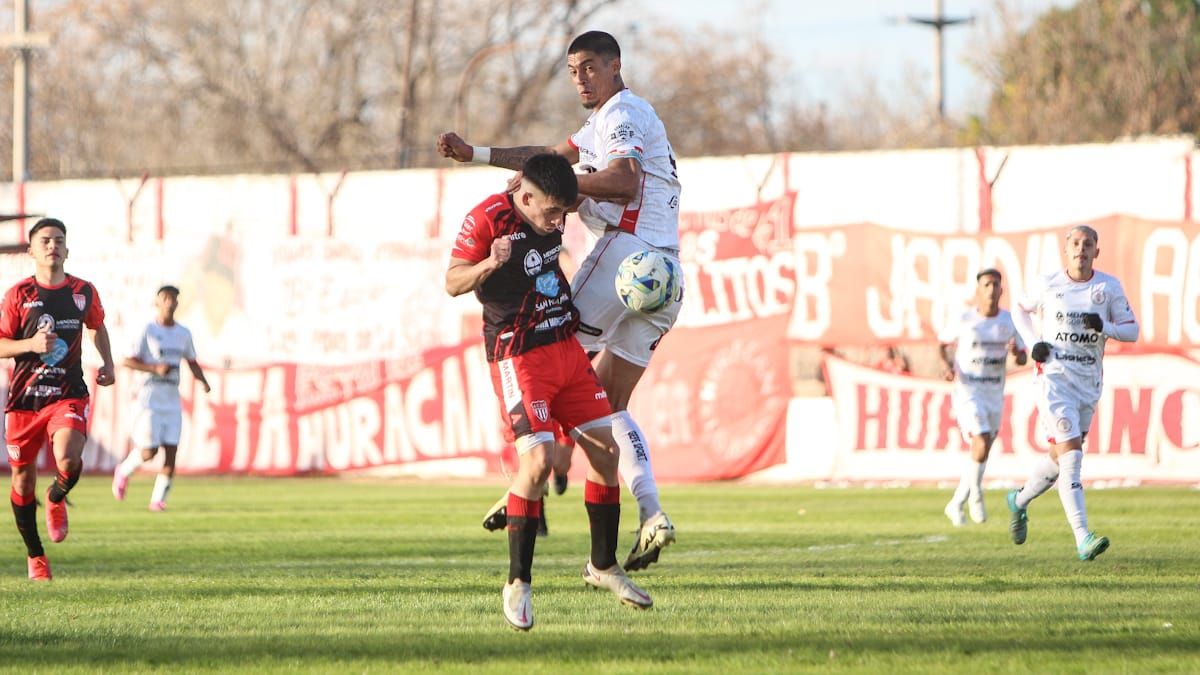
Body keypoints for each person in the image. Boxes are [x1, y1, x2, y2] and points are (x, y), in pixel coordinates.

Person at [438, 30, 680, 571]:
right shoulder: (601, 123)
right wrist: (476, 153)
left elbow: (621, 181)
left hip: (627, 256)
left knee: (544, 343)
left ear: (616, 65)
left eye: (590, 67)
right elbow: (546, 158)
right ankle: (651, 511)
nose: (580, 79)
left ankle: (529, 478)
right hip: (664, 278)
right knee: (606, 403)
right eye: (573, 70)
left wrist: (561, 188)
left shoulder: (622, 113)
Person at [445, 153, 653, 631]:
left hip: (563, 346)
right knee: (537, 463)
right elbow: (452, 281)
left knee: (605, 452)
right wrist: (487, 264)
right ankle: (518, 584)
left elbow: (559, 164)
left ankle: (603, 567)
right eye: (550, 213)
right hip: (520, 356)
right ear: (526, 196)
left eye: (564, 212)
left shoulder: (550, 196)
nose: (559, 221)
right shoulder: (486, 219)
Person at [1008, 225, 1138, 561]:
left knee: (1059, 456)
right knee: (1072, 458)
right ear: (1066, 251)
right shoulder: (1048, 283)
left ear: (1097, 251)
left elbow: (1132, 330)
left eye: (1088, 244)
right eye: (1076, 244)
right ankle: (1083, 537)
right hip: (1053, 380)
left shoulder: (1108, 287)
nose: (1081, 249)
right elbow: (1019, 308)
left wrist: (1105, 327)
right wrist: (1032, 342)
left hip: (1087, 384)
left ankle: (1019, 500)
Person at [0, 218, 115, 581]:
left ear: (67, 249)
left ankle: (57, 495)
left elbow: (97, 326)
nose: (53, 246)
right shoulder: (17, 295)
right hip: (24, 402)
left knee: (68, 456)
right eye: (45, 241)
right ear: (32, 250)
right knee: (21, 482)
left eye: (59, 240)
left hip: (67, 394)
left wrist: (108, 363)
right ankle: (36, 556)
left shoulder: (83, 291)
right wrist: (30, 345)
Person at [938, 269, 1027, 526]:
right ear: (978, 290)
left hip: (994, 392)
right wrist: (946, 366)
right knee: (981, 438)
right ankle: (976, 495)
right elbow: (942, 343)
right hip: (968, 390)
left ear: (1002, 290)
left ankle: (955, 503)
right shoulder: (965, 318)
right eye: (986, 284)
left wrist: (1016, 353)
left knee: (982, 449)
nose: (991, 289)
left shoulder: (1009, 321)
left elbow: (1022, 356)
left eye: (995, 284)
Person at [112, 285, 211, 511]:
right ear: (157, 302)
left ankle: (157, 500)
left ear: (177, 303)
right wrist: (155, 369)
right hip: (150, 398)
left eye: (174, 298)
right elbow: (127, 360)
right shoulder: (147, 330)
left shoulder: (183, 333)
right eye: (165, 298)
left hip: (171, 398)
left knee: (171, 450)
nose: (170, 302)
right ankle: (124, 471)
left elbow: (192, 361)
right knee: (149, 451)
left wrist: (203, 381)